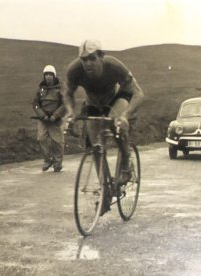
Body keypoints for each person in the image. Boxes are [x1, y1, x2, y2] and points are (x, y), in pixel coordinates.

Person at [63, 39, 144, 213]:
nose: (88, 64)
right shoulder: (74, 70)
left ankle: (125, 163)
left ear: (101, 56)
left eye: (92, 58)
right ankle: (105, 190)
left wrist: (125, 115)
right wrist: (70, 112)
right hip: (93, 101)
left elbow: (139, 93)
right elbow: (67, 93)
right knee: (95, 146)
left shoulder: (113, 65)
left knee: (117, 122)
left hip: (118, 97)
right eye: (84, 60)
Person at [32, 65, 66, 172]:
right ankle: (48, 160)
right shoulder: (41, 89)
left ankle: (58, 163)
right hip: (43, 119)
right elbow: (36, 104)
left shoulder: (60, 89)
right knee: (41, 138)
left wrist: (55, 115)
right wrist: (43, 115)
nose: (48, 77)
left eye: (50, 75)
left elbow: (65, 104)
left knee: (57, 141)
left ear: (54, 76)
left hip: (55, 120)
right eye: (46, 75)